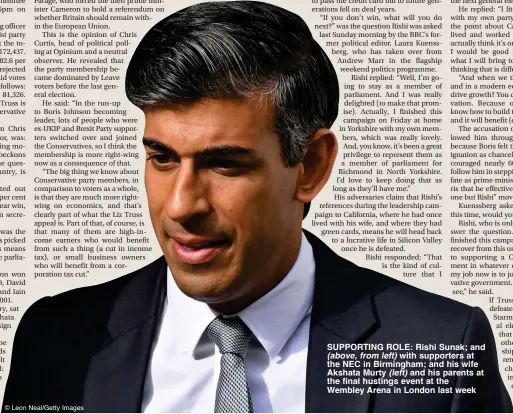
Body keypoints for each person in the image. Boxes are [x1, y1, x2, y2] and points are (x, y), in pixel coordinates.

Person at [3, 1, 512, 412]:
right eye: (161, 157)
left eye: (224, 164)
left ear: (310, 166)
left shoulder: (437, 347)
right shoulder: (56, 340)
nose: (181, 205)